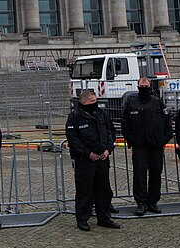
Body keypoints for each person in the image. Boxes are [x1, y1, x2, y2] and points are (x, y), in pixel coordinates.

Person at [66, 89, 120, 231]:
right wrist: (88, 153)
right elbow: (73, 140)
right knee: (85, 191)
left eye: (95, 101)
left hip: (103, 158)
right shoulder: (74, 117)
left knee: (104, 190)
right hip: (85, 160)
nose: (95, 104)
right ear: (84, 102)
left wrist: (108, 150)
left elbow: (110, 133)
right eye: (92, 101)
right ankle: (83, 219)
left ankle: (104, 217)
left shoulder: (101, 114)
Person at [121, 76, 173, 216]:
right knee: (139, 174)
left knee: (156, 173)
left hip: (155, 146)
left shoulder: (158, 103)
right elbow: (124, 124)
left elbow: (168, 121)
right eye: (141, 86)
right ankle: (141, 203)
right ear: (137, 86)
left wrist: (164, 140)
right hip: (139, 147)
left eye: (146, 86)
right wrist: (132, 139)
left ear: (150, 86)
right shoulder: (131, 103)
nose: (144, 89)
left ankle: (153, 202)